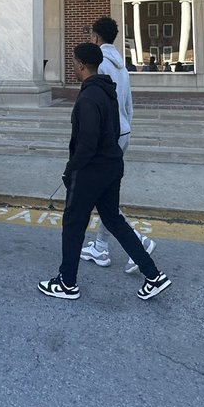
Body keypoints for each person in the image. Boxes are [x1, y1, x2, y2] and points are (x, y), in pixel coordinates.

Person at [38, 43, 170, 302]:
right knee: (113, 220)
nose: (73, 67)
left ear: (81, 65)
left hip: (91, 170)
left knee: (73, 224)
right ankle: (153, 275)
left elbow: (87, 142)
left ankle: (67, 282)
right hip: (111, 165)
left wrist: (70, 170)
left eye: (74, 63)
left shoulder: (88, 97)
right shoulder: (107, 90)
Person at [80, 15, 155, 273]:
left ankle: (140, 243)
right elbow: (127, 105)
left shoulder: (98, 64)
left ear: (96, 37)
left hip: (107, 136)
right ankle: (101, 246)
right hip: (123, 132)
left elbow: (99, 104)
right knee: (106, 193)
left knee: (102, 197)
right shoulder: (122, 66)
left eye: (91, 33)